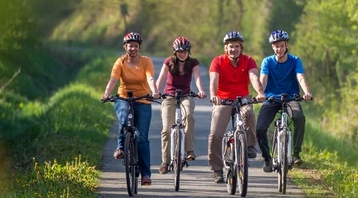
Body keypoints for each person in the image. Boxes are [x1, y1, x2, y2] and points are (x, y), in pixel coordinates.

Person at [101, 32, 160, 186]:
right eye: (130, 45)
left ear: (139, 47)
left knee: (142, 138)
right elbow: (113, 79)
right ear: (125, 47)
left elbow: (150, 78)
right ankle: (121, 147)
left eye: (135, 46)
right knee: (124, 117)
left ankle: (146, 174)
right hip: (124, 97)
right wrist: (107, 94)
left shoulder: (146, 61)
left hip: (143, 99)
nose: (132, 48)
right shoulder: (120, 62)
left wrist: (154, 92)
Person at [207, 30, 266, 184]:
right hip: (223, 99)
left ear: (241, 48)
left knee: (249, 114)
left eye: (237, 46)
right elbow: (214, 79)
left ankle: (250, 146)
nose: (234, 49)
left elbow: (253, 76)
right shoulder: (217, 61)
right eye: (230, 47)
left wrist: (260, 92)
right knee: (215, 134)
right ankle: (217, 169)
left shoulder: (249, 61)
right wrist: (214, 96)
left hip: (243, 97)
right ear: (225, 48)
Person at [255, 30, 313, 172]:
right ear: (272, 47)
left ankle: (295, 154)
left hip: (290, 97)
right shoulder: (267, 61)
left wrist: (306, 92)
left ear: (286, 45)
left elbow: (300, 77)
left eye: (281, 46)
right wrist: (260, 93)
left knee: (299, 117)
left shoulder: (295, 60)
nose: (278, 49)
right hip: (271, 98)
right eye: (276, 46)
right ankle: (267, 159)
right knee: (260, 128)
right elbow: (263, 78)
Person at [155, 36, 207, 174]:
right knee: (166, 129)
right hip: (169, 96)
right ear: (175, 52)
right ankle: (165, 162)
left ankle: (189, 150)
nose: (182, 54)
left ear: (189, 52)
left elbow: (197, 78)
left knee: (188, 115)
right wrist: (155, 91)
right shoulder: (168, 62)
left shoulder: (193, 63)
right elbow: (160, 79)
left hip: (186, 95)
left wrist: (201, 90)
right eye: (179, 51)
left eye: (184, 51)